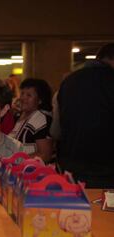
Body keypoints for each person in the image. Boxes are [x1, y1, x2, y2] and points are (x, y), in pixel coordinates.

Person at [57, 43, 114, 188]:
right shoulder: (110, 80)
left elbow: (58, 126)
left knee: (77, 209)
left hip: (71, 165)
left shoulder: (70, 80)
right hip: (106, 167)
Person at [8, 78, 53, 163]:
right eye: (22, 93)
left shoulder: (40, 119)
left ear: (40, 100)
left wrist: (16, 161)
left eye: (29, 95)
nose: (23, 98)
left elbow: (45, 155)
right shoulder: (17, 117)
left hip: (31, 172)